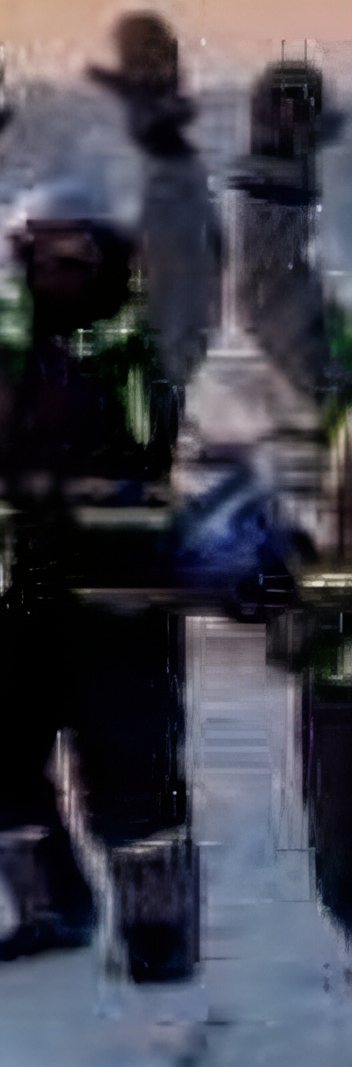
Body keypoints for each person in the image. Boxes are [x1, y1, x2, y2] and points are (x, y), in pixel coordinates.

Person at [0, 14, 222, 981]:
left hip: (114, 594)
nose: (64, 262)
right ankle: (50, 908)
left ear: (117, 262)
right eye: (46, 248)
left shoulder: (151, 345)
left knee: (129, 766)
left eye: (85, 249)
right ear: (23, 255)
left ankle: (160, 932)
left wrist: (165, 144)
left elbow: (193, 264)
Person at [231, 57, 352, 930]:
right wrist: (278, 163)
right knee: (344, 872)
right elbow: (272, 292)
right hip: (342, 666)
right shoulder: (346, 366)